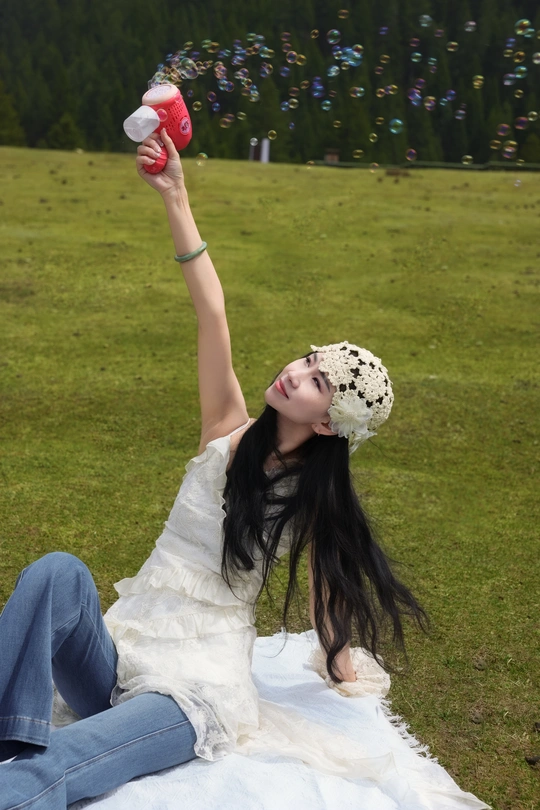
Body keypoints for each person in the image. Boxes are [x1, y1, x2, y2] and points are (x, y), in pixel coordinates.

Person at [0, 130, 487, 810]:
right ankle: (10, 736)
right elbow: (212, 310)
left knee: (65, 763)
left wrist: (340, 659)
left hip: (193, 696)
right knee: (56, 573)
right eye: (307, 360)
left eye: (318, 381)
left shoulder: (311, 498)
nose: (295, 372)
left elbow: (328, 590)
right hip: (123, 654)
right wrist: (175, 194)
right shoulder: (226, 426)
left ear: (330, 423)